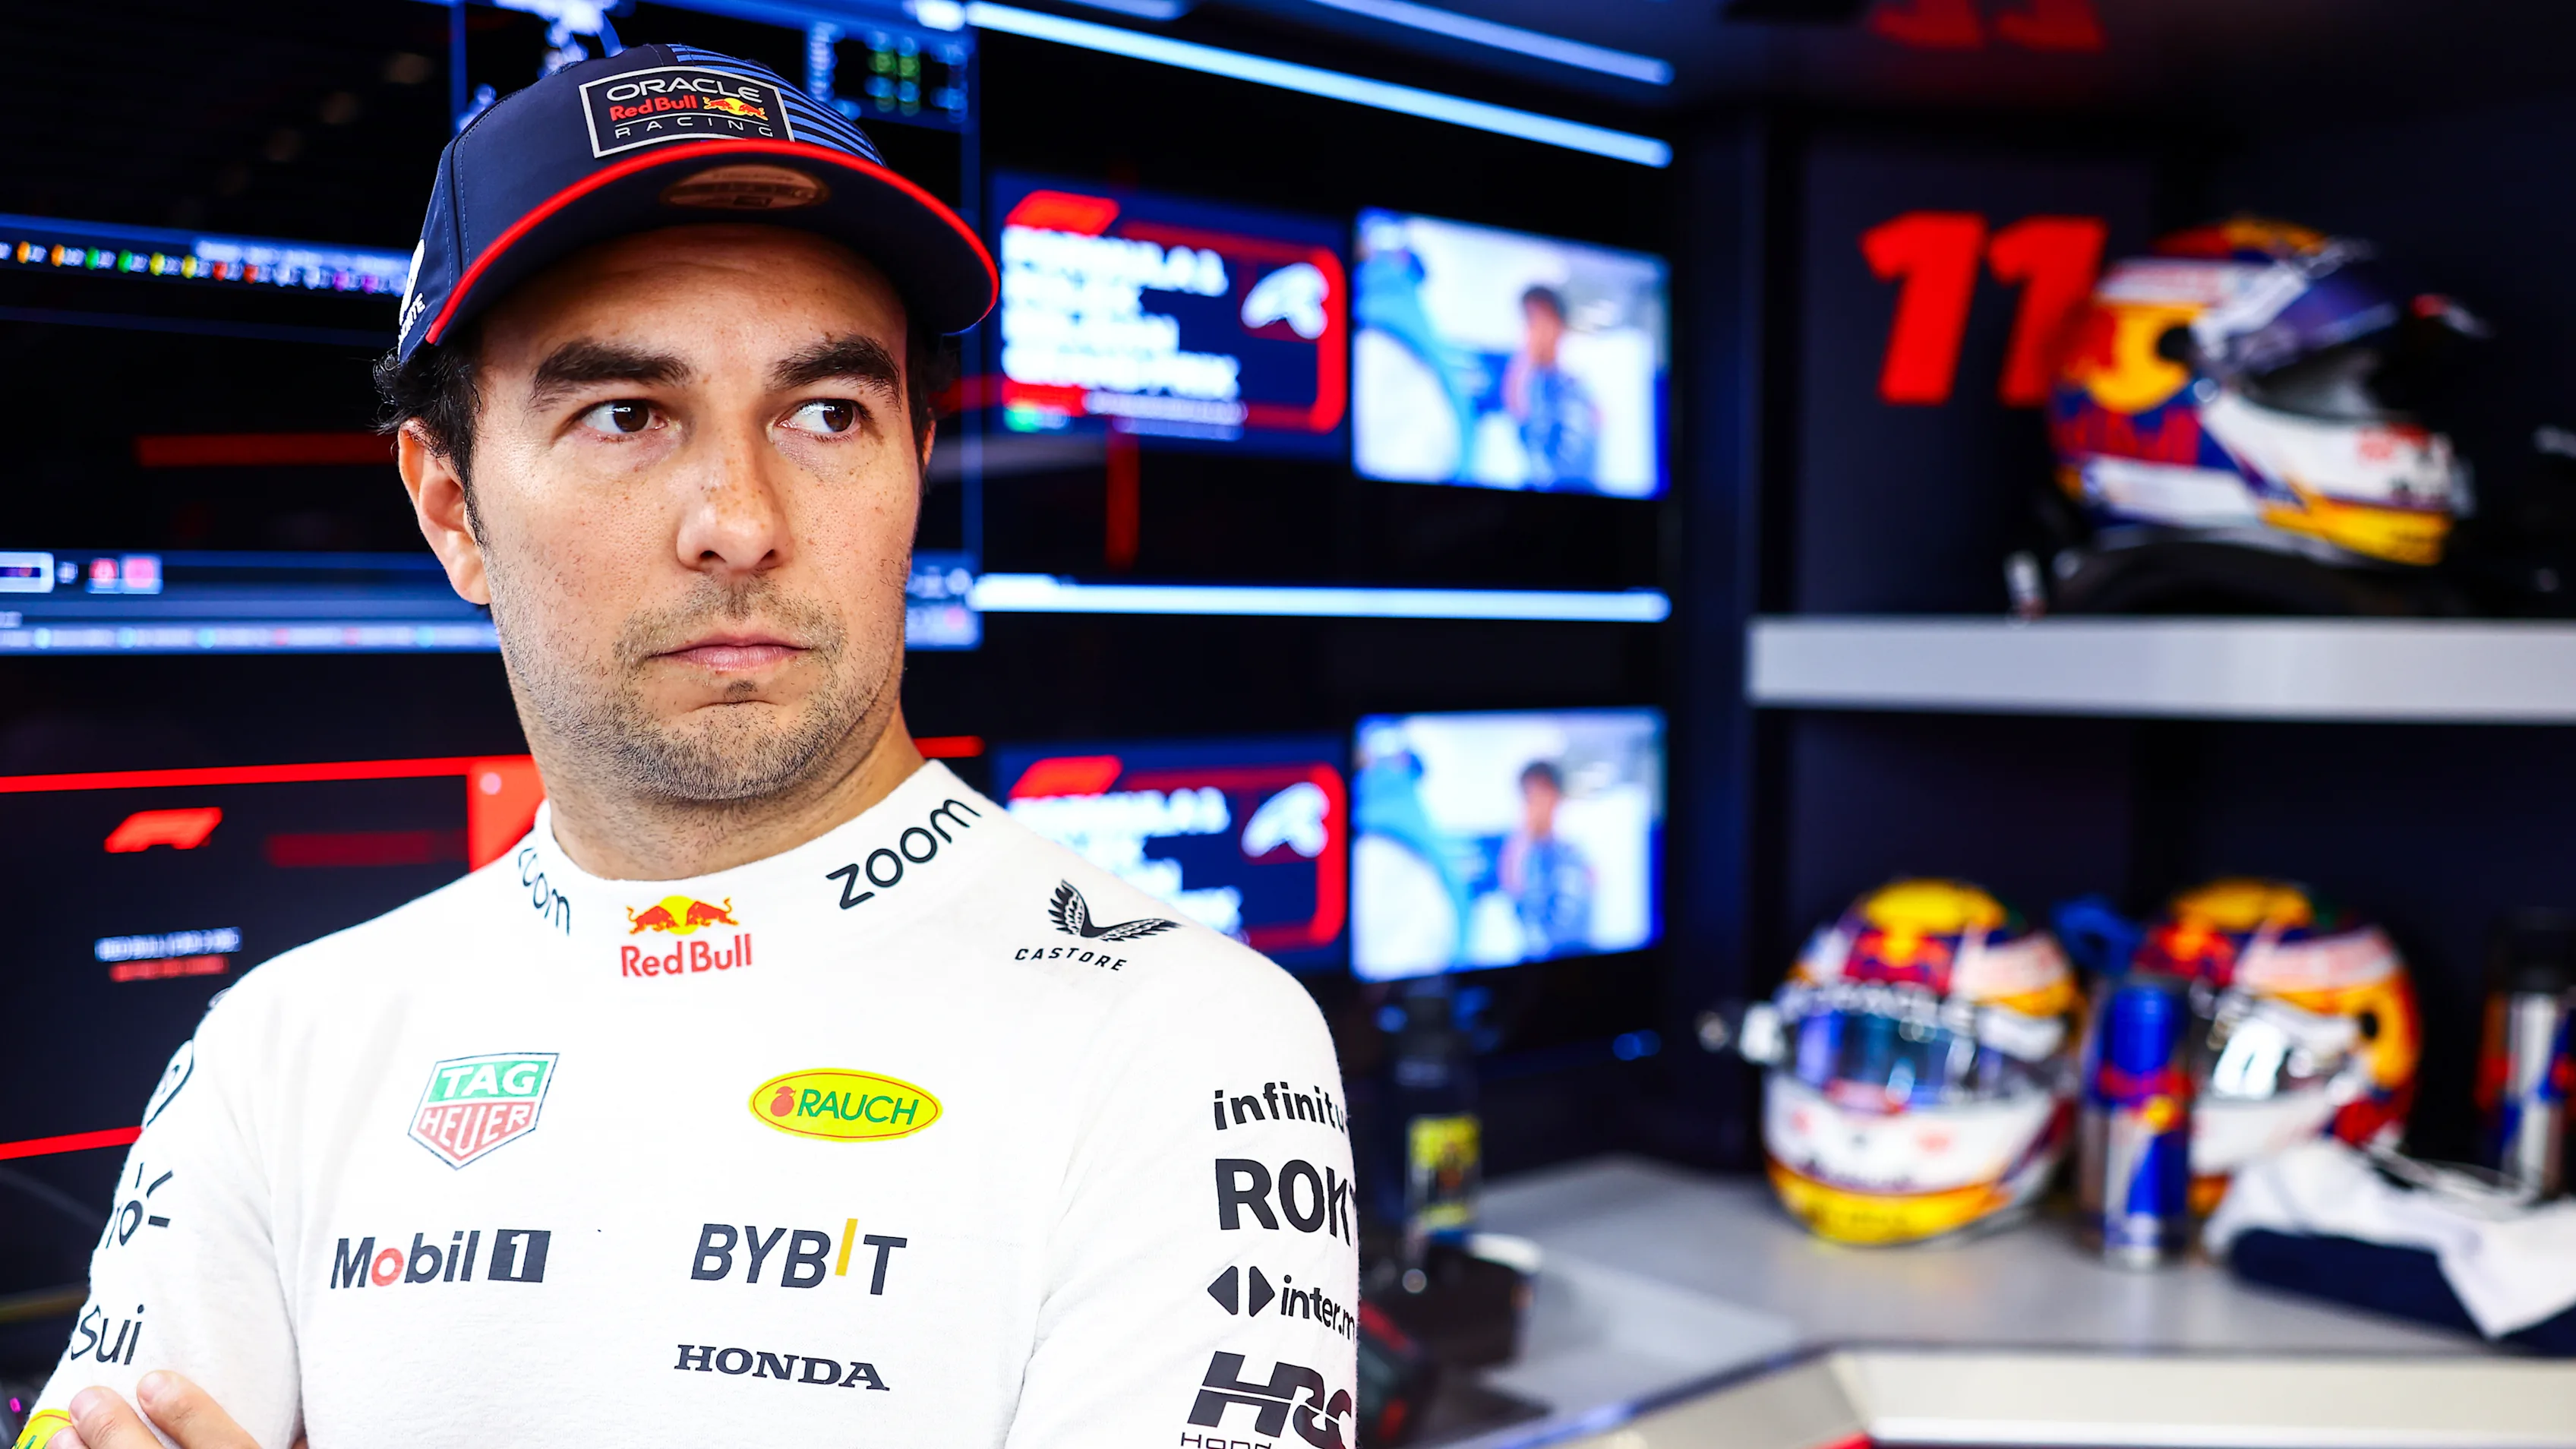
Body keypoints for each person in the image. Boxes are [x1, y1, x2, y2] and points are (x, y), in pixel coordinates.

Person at [17, 46, 1354, 1449]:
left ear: (914, 465)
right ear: (452, 506)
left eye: (826, 414)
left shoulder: (1180, 1037)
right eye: (626, 416)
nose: (740, 521)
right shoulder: (280, 1051)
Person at [1499, 285, 1599, 489]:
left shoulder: (1577, 381)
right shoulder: (1524, 378)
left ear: (1559, 325)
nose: (1536, 329)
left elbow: (1593, 426)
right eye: (1530, 320)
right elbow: (1516, 412)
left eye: (1543, 319)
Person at [1495, 761, 1593, 958]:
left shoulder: (1573, 854)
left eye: (1541, 794)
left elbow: (1576, 919)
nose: (1535, 804)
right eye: (1529, 796)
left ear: (1556, 797)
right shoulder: (1519, 851)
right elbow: (1513, 897)